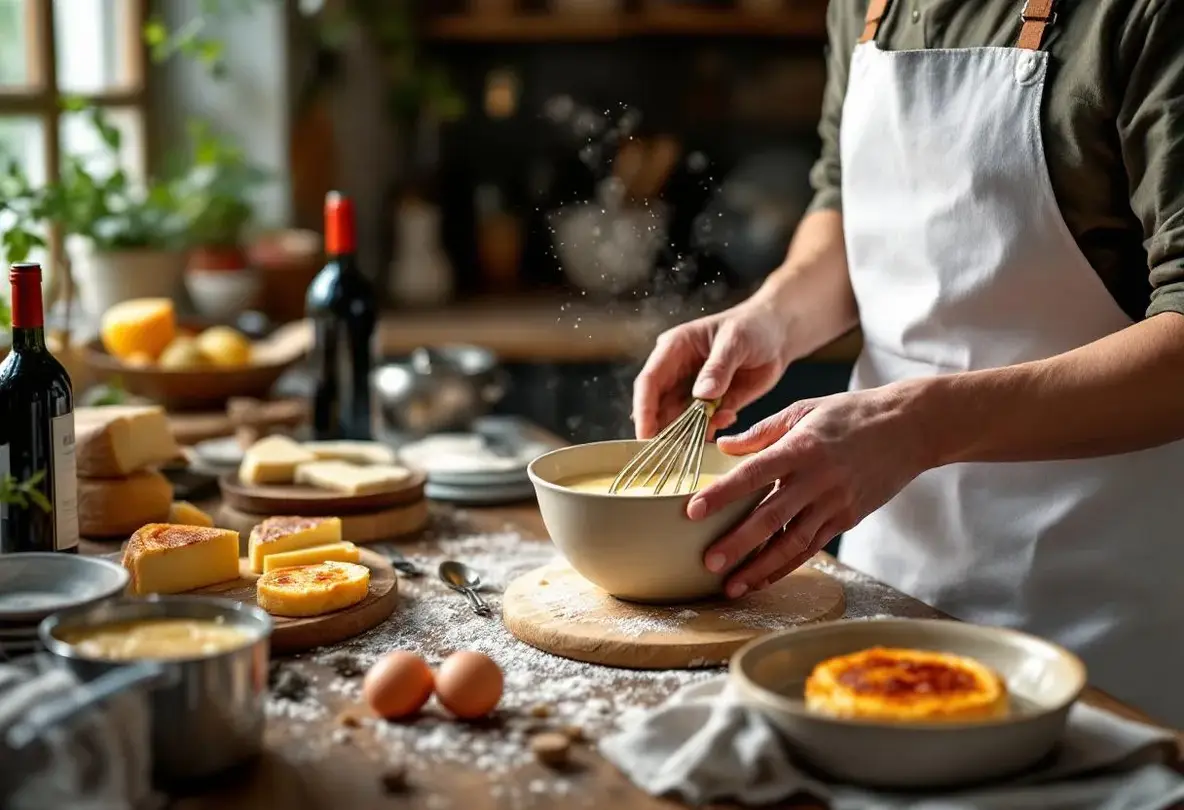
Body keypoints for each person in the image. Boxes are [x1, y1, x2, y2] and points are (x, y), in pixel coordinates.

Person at [633, 0, 1184, 727]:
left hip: (1093, 612)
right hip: (886, 590)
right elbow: (844, 204)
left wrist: (916, 426)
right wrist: (772, 317)